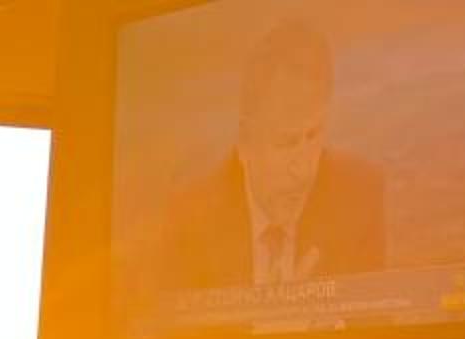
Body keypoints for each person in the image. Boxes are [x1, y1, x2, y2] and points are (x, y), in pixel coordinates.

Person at [159, 17, 389, 294]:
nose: (304, 171)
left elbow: (372, 317)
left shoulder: (359, 196)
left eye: (313, 135)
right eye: (285, 143)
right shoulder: (192, 219)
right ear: (245, 142)